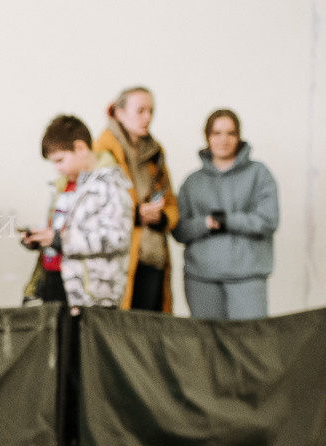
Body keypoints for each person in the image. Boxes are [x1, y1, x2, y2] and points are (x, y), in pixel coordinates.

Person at [172, 109, 279, 320]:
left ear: (239, 136)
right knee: (208, 347)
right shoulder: (192, 182)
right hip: (201, 278)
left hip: (247, 277)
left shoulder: (259, 174)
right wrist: (205, 223)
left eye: (230, 133)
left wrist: (227, 221)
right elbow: (179, 230)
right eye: (217, 133)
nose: (224, 139)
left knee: (249, 344)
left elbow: (268, 220)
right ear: (207, 137)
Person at [21, 115, 133, 309]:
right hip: (55, 280)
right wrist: (40, 239)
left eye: (60, 160)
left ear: (80, 148)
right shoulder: (63, 185)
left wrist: (60, 239)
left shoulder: (110, 185)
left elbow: (118, 237)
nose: (57, 169)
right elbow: (59, 228)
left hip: (90, 294)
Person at [94, 86, 178, 312]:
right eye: (140, 110)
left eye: (151, 110)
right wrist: (134, 215)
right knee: (122, 335)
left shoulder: (155, 152)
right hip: (117, 262)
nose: (148, 117)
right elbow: (93, 209)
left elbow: (170, 201)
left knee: (149, 335)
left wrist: (160, 217)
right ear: (119, 113)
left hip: (153, 256)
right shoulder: (101, 151)